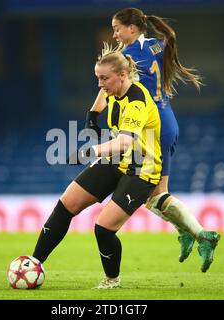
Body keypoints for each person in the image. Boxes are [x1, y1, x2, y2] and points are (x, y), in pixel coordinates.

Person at [85, 8, 220, 272]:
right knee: (157, 193)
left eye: (117, 28)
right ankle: (188, 232)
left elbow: (107, 89)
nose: (114, 34)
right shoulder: (156, 45)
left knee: (152, 194)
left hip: (150, 127)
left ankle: (202, 235)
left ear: (132, 29)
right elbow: (168, 43)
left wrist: (92, 114)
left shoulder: (125, 58)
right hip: (166, 119)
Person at [33, 45, 163, 289]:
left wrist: (87, 152)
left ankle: (112, 280)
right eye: (98, 78)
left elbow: (125, 142)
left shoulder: (136, 101)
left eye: (104, 78)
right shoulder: (114, 87)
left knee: (103, 228)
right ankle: (34, 263)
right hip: (117, 160)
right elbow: (104, 94)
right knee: (66, 204)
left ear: (122, 76)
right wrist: (92, 115)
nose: (100, 84)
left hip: (140, 167)